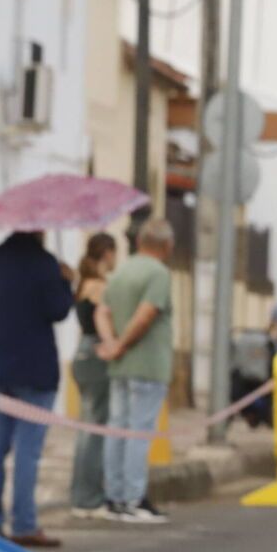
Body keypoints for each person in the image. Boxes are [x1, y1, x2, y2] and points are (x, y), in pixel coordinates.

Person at [0, 228, 75, 547]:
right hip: (37, 370)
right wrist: (67, 281)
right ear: (40, 229)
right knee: (28, 452)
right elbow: (58, 310)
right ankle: (25, 524)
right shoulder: (45, 265)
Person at [97, 219, 178, 525]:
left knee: (117, 429)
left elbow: (102, 311)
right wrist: (122, 344)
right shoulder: (158, 274)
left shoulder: (122, 270)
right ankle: (134, 498)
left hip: (119, 367)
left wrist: (110, 343)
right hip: (147, 364)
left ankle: (114, 497)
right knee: (138, 433)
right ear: (166, 246)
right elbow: (146, 317)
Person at [66, 233, 119, 520]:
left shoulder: (82, 284)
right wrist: (114, 344)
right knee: (95, 429)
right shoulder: (99, 286)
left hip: (82, 354)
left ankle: (81, 494)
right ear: (107, 253)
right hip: (96, 354)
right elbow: (104, 319)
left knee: (88, 427)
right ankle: (89, 498)